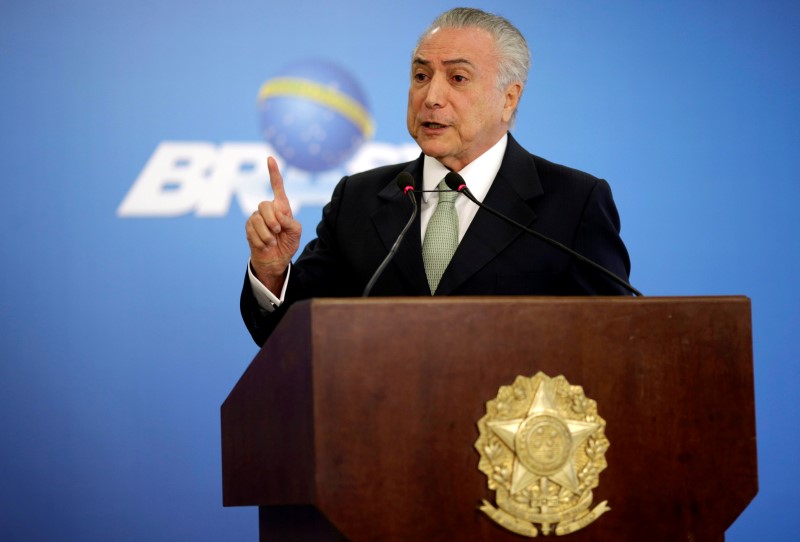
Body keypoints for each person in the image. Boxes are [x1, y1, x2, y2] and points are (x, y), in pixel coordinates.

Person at [241, 7, 632, 346]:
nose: (431, 97)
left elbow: (614, 339)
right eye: (421, 76)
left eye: (457, 78)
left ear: (509, 98)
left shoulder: (573, 202)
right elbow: (290, 340)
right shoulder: (358, 199)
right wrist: (273, 273)